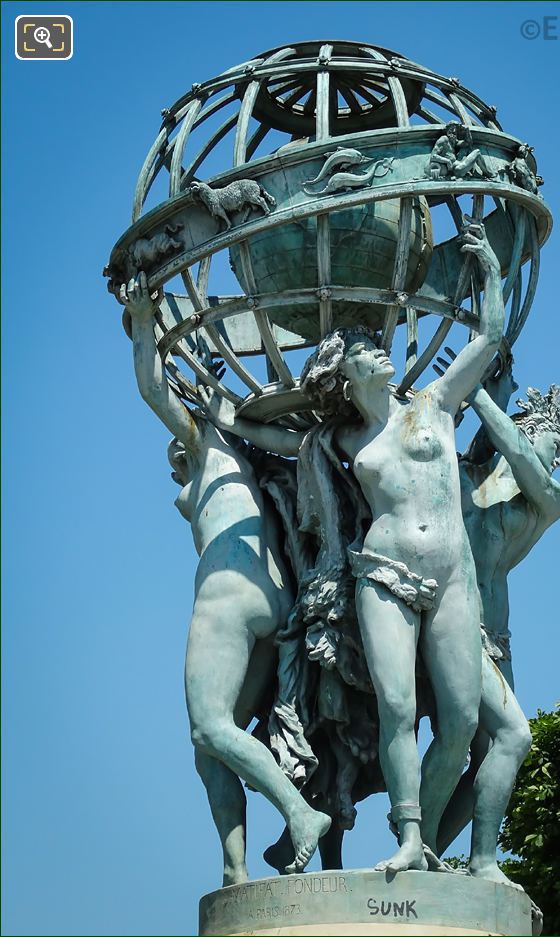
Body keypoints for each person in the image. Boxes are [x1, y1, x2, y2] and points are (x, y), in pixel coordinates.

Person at [203, 219, 505, 872]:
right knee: (397, 710)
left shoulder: (434, 402)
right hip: (382, 576)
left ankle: (422, 841)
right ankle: (407, 837)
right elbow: (272, 440)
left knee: (455, 721)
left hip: (452, 576)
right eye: (367, 348)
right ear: (345, 373)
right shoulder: (337, 443)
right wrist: (215, 414)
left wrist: (488, 275)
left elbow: (487, 338)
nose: (381, 349)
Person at [120, 273, 331, 883]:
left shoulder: (210, 437)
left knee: (207, 726)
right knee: (212, 743)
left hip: (228, 593)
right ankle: (235, 870)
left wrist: (141, 327)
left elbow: (151, 391)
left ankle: (298, 814)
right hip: (274, 596)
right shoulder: (248, 452)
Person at [436, 359, 560, 887]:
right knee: (510, 738)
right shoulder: (468, 479)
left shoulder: (547, 502)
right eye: (553, 445)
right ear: (526, 433)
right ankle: (471, 858)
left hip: (498, 641)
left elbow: (521, 458)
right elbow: (491, 448)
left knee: (491, 752)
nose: (557, 459)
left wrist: (475, 392)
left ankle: (434, 849)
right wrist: (482, 393)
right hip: (453, 625)